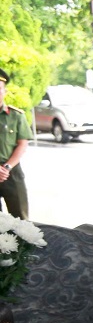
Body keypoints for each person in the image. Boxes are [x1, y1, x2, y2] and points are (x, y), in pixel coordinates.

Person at [0, 69, 31, 219]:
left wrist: (6, 167)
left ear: (4, 91)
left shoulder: (16, 116)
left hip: (11, 171)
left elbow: (22, 144)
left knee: (21, 219)